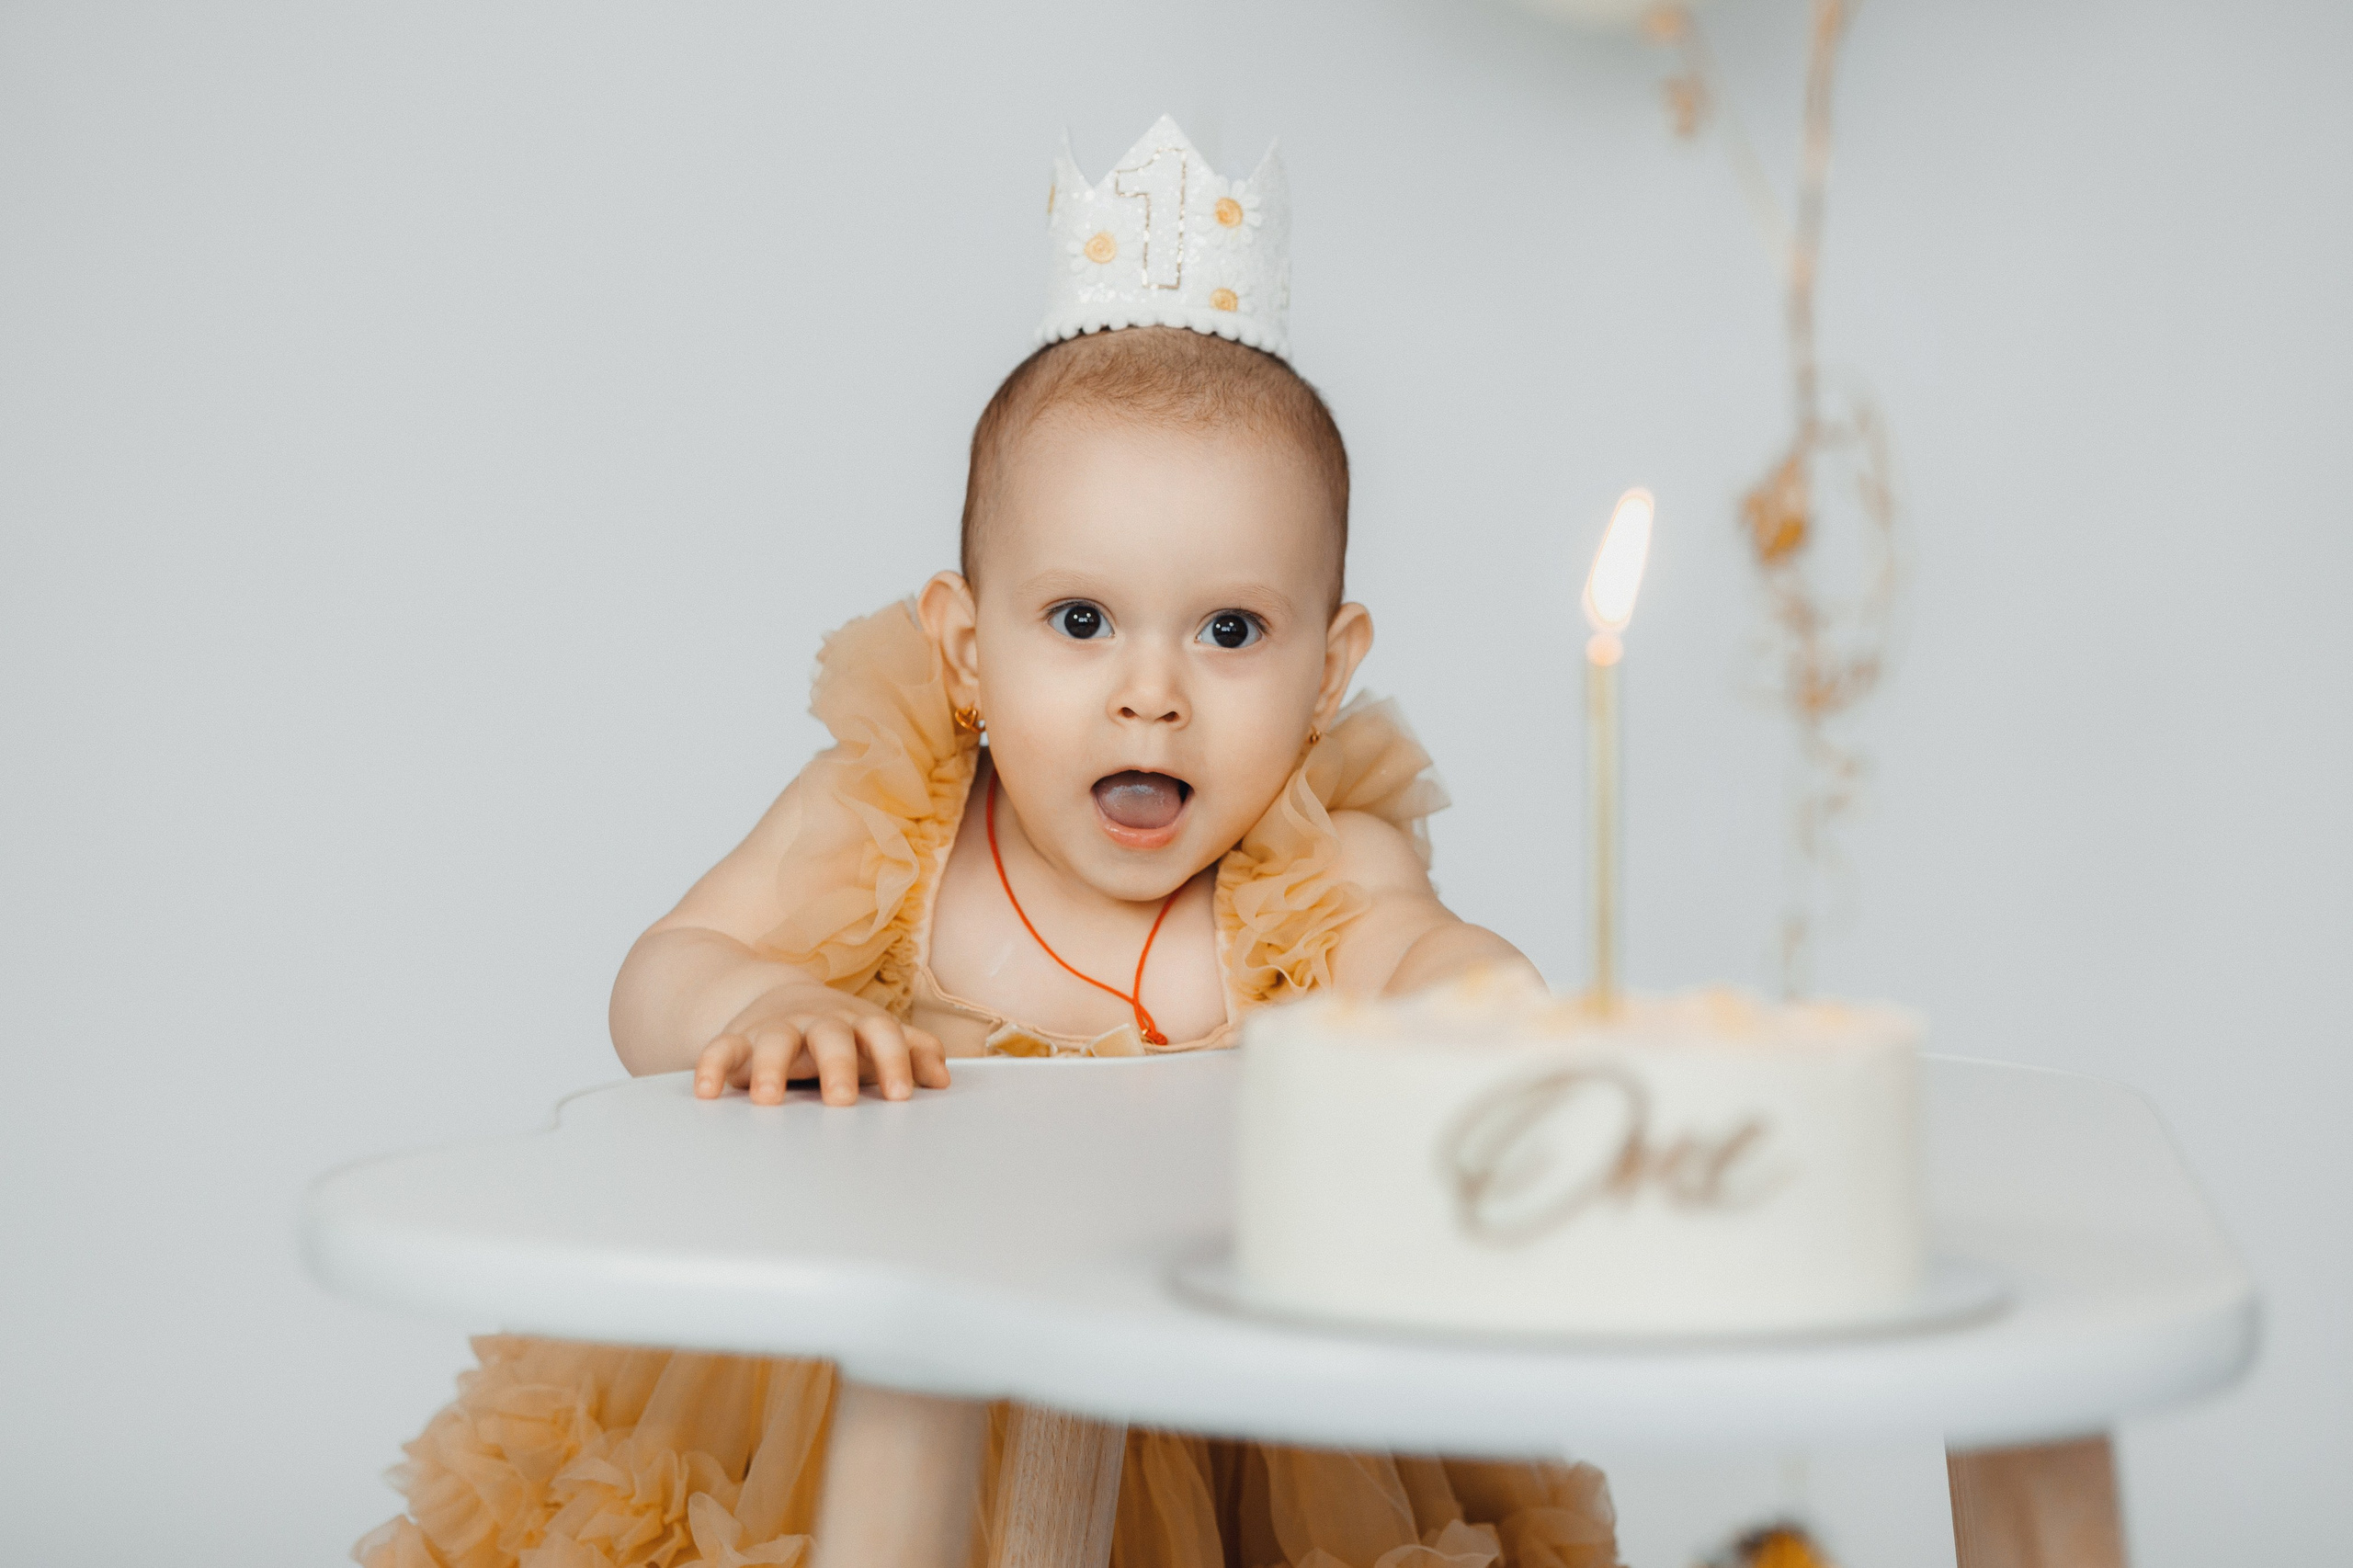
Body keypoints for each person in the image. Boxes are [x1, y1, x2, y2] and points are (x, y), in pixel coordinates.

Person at [357, 119, 1620, 1568]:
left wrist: (1474, 999)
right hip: (879, 1408)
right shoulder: (893, 825)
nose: (1152, 688)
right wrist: (762, 1002)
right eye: (1080, 621)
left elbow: (1409, 950)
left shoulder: (1313, 869)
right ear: (965, 648)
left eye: (1230, 630)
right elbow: (663, 971)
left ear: (1328, 673)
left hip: (1227, 1444)